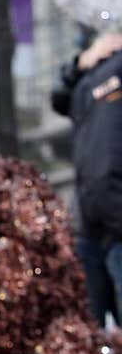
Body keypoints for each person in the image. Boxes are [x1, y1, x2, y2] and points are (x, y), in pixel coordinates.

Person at [52, 31, 122, 326]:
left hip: (113, 220)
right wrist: (80, 63)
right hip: (89, 224)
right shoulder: (96, 70)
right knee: (84, 338)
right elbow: (60, 99)